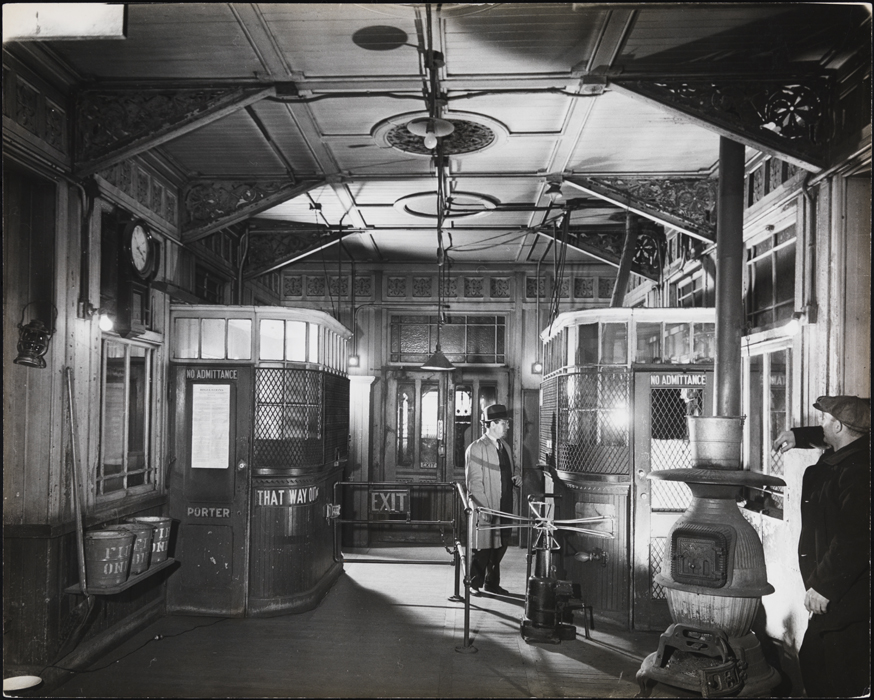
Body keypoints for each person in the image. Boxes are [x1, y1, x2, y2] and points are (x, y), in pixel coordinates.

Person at [772, 395, 871, 698]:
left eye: (826, 419)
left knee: (831, 671)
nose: (822, 424)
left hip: (845, 593)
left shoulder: (857, 472)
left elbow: (856, 538)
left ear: (839, 426)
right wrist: (798, 436)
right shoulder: (851, 449)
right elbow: (832, 433)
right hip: (837, 591)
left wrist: (824, 586)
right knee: (819, 662)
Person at [465, 403, 522, 596]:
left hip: (504, 503)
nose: (506, 426)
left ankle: (491, 582)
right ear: (491, 424)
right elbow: (474, 483)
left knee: (501, 544)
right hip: (488, 506)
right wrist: (484, 509)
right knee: (483, 547)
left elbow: (510, 471)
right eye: (504, 423)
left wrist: (517, 478)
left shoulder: (504, 446)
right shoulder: (476, 448)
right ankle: (473, 583)